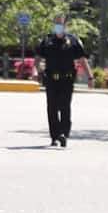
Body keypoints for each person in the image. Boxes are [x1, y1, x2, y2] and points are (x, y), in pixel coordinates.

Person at [34, 15, 93, 147]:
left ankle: (64, 134)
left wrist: (90, 77)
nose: (58, 26)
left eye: (60, 23)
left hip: (67, 80)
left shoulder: (73, 41)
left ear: (66, 25)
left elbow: (82, 60)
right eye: (56, 23)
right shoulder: (47, 41)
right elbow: (37, 59)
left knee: (65, 107)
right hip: (51, 80)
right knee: (52, 108)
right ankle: (54, 136)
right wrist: (37, 71)